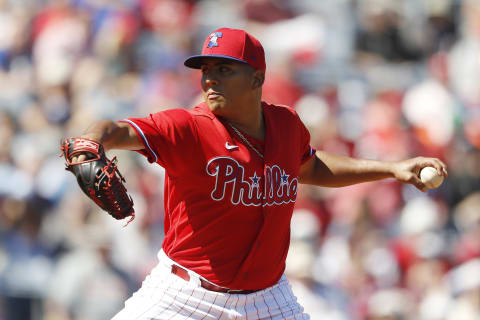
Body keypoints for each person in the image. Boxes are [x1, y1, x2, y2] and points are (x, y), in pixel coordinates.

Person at [67, 28, 448, 319]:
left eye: (223, 69)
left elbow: (311, 167)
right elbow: (115, 131)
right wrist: (90, 143)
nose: (209, 79)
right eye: (205, 70)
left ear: (256, 79)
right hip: (184, 295)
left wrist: (393, 169)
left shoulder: (286, 124)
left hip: (268, 299)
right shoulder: (188, 127)